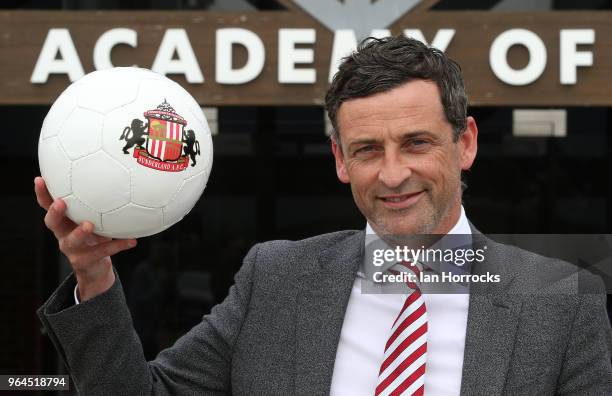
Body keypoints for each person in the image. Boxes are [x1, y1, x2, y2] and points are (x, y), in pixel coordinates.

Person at [35, 35, 612, 395]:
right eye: (367, 150)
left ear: (465, 144)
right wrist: (94, 275)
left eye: (416, 143)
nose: (392, 175)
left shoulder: (564, 295)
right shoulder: (276, 279)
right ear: (340, 159)